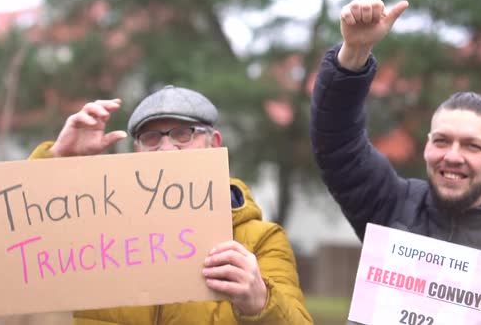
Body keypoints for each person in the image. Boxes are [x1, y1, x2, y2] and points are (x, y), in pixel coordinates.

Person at [29, 85, 313, 325]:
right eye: (151, 138)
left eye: (183, 133)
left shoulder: (263, 239)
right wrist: (58, 161)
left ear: (213, 144)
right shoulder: (101, 230)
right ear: (136, 151)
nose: (166, 149)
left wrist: (261, 301)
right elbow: (21, 245)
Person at [310, 0, 481, 325]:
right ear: (426, 146)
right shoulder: (392, 205)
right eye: (442, 141)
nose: (452, 156)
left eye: (472, 146)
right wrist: (354, 53)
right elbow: (337, 143)